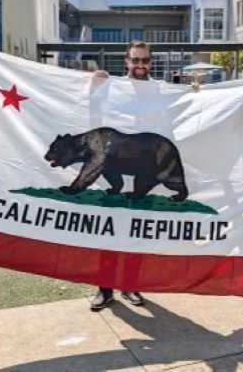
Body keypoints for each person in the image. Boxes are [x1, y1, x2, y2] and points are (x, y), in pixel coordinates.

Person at [88, 40, 154, 310]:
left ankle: (130, 285)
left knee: (138, 231)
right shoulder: (111, 87)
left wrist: (194, 92)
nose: (140, 65)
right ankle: (105, 289)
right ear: (126, 62)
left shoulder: (162, 91)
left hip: (145, 170)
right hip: (115, 167)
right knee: (111, 231)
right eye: (135, 60)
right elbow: (90, 110)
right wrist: (95, 86)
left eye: (145, 61)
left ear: (151, 62)